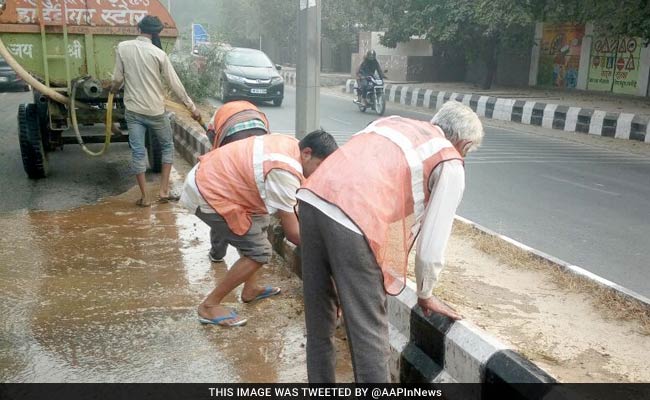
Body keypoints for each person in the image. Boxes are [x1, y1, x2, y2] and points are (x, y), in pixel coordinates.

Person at [296, 101, 484, 383]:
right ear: (464, 143)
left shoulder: (392, 123)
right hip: (354, 219)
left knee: (319, 324)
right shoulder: (449, 160)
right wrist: (426, 292)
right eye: (467, 151)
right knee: (369, 336)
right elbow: (432, 244)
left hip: (311, 199)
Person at [180, 130, 338, 327]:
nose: (320, 174)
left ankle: (250, 289)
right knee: (259, 251)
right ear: (307, 153)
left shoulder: (292, 146)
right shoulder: (284, 171)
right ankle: (209, 305)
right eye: (319, 167)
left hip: (223, 182)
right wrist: (328, 248)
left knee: (261, 222)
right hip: (208, 192)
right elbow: (294, 234)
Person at [110, 15, 201, 207]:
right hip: (156, 111)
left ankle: (145, 197)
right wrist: (192, 107)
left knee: (137, 152)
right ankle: (163, 190)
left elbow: (117, 79)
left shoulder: (123, 48)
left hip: (134, 111)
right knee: (167, 147)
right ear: (156, 33)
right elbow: (175, 85)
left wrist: (112, 90)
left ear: (138, 29)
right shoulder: (159, 54)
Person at [204, 100, 271, 263]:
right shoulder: (255, 112)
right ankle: (253, 249)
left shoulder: (216, 119)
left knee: (225, 204)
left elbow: (215, 152)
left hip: (231, 136)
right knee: (255, 197)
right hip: (259, 135)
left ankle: (217, 252)